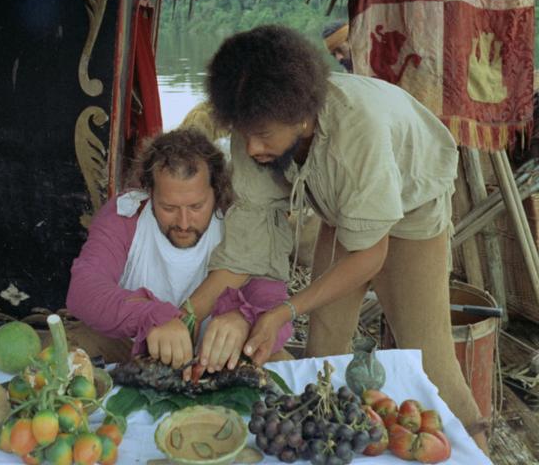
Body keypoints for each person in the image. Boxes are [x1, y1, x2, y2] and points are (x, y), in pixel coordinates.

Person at [187, 25, 489, 451]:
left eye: (264, 135)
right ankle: (329, 447)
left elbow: (369, 256)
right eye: (244, 133)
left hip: (412, 210)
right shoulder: (255, 125)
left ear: (302, 117)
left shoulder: (357, 134)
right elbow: (242, 255)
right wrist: (184, 317)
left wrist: (285, 310)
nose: (252, 148)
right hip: (343, 204)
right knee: (322, 350)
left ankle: (478, 449)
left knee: (430, 358)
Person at [66, 128, 292, 380]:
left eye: (196, 206)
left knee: (279, 360)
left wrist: (244, 319)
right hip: (133, 347)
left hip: (219, 356)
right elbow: (83, 290)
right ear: (149, 192)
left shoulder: (239, 220)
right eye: (168, 207)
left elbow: (274, 301)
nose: (184, 223)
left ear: (217, 191)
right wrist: (152, 318)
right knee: (66, 355)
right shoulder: (125, 215)